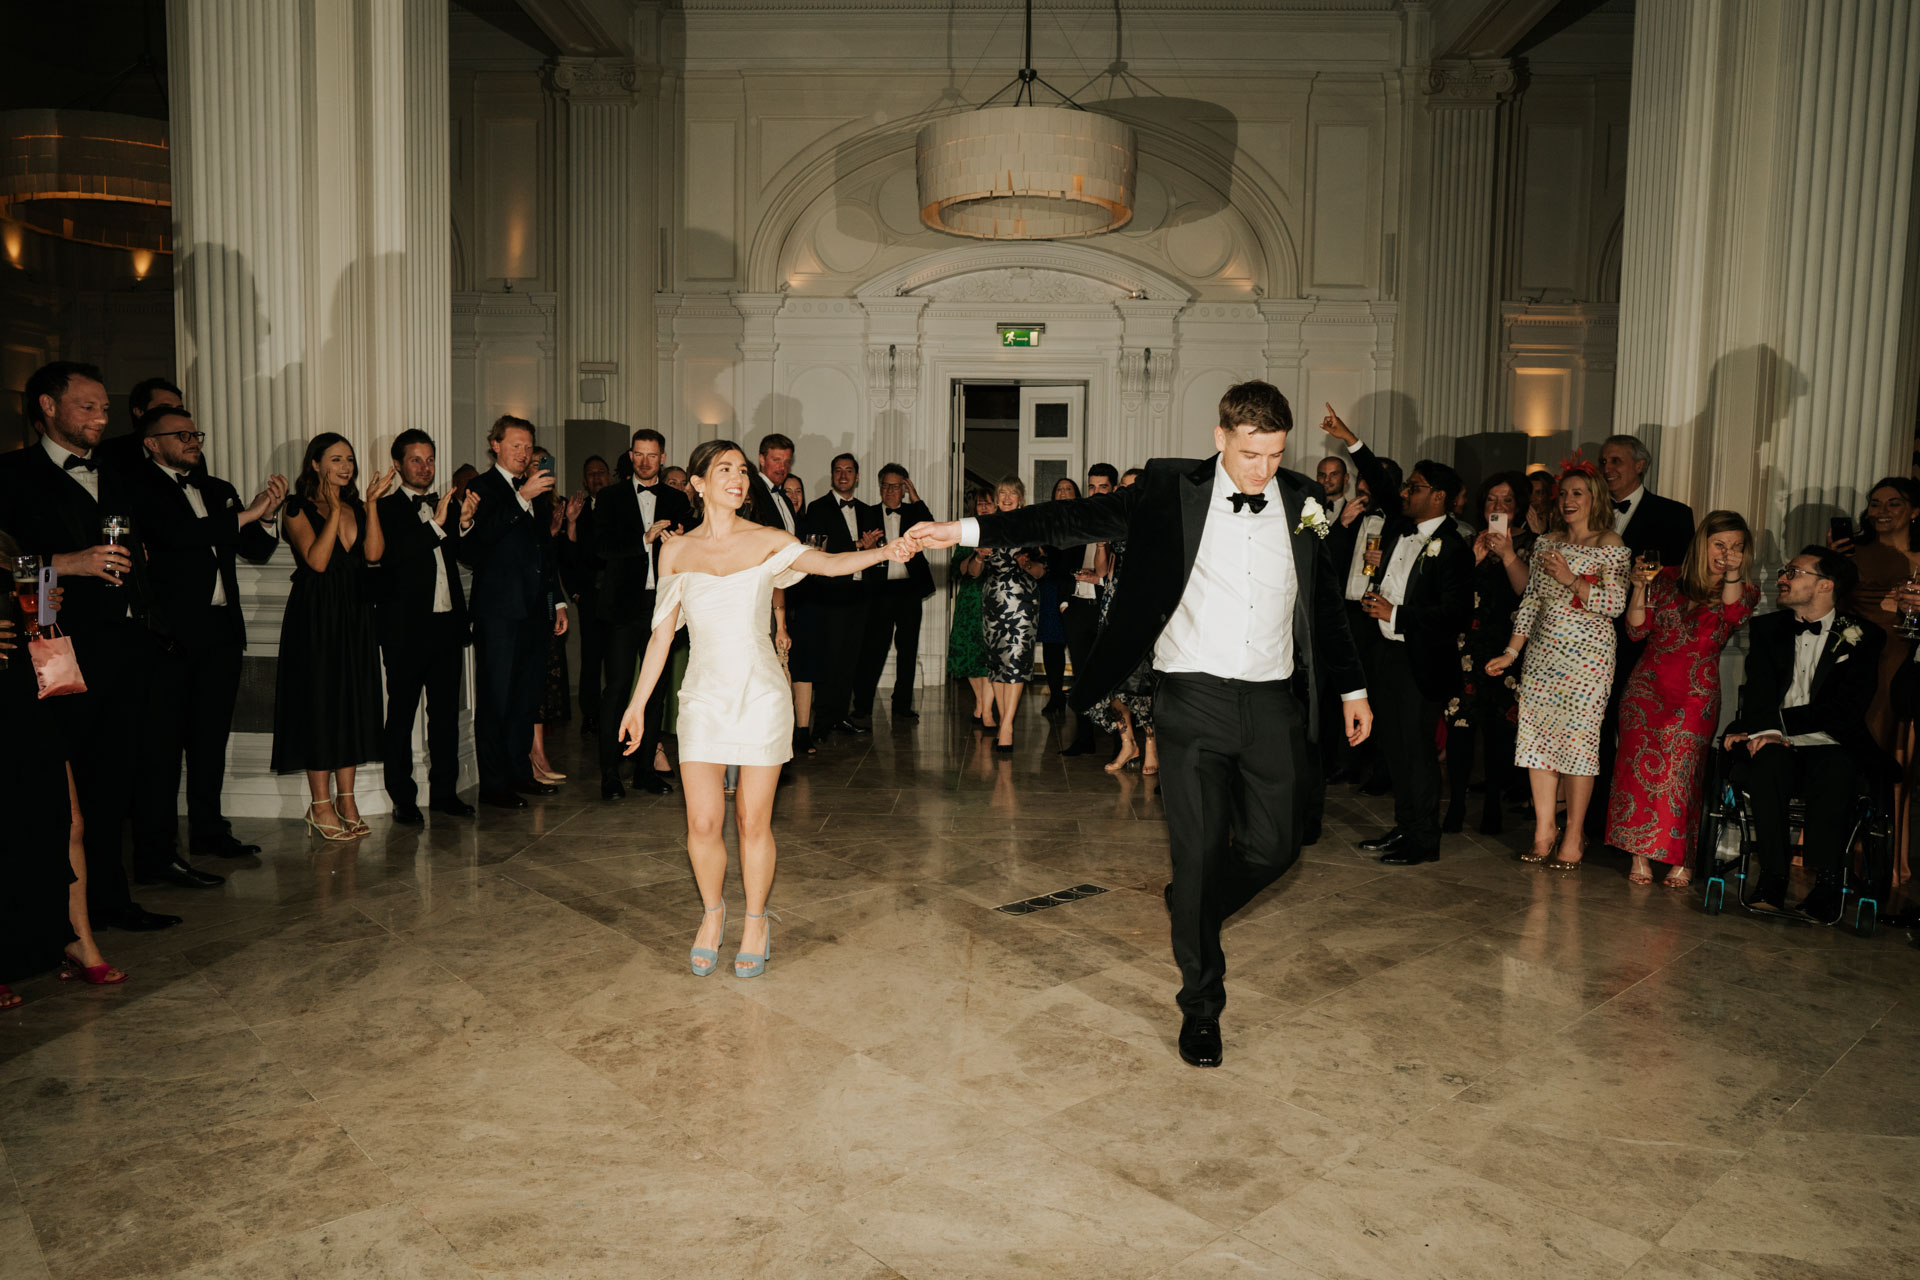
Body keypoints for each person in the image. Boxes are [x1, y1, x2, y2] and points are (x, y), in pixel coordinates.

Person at [911, 381, 1372, 1070]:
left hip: (1273, 702)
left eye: (1274, 456)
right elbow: (1072, 523)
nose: (1262, 470)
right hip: (1190, 699)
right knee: (1198, 850)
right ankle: (1202, 1007)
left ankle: (1192, 901)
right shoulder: (1168, 490)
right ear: (1221, 438)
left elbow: (1327, 605)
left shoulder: (1304, 500)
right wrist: (968, 530)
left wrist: (1353, 687)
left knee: (1279, 846)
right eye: (1250, 454)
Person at [617, 439, 916, 978]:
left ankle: (755, 920)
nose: (738, 478)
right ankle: (713, 915)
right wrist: (637, 705)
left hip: (759, 693)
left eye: (743, 470)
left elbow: (826, 564)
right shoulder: (675, 551)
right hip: (703, 697)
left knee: (753, 820)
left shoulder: (768, 539)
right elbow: (661, 638)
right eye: (724, 469)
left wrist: (886, 552)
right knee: (703, 821)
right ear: (699, 483)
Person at [0, 361, 178, 932]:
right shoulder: (11, 475)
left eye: (105, 407)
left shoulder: (117, 474)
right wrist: (67, 564)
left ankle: (109, 902)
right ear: (47, 407)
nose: (102, 417)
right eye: (88, 406)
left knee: (115, 777)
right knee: (60, 786)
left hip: (128, 640)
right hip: (57, 647)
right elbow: (6, 567)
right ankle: (53, 915)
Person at [127, 405, 285, 883]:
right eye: (180, 435)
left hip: (220, 632)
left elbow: (255, 548)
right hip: (170, 638)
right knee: (163, 747)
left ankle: (209, 830)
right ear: (152, 443)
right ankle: (157, 853)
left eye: (195, 433)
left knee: (210, 739)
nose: (193, 440)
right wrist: (247, 514)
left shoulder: (216, 490)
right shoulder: (141, 489)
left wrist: (267, 517)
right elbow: (178, 536)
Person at [1722, 547, 1886, 917]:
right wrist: (1759, 730)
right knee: (1766, 763)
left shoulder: (1864, 636)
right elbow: (1760, 691)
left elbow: (1844, 709)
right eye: (1785, 571)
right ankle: (1773, 878)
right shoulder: (1768, 629)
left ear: (1825, 584)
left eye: (1793, 572)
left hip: (1832, 740)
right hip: (1774, 740)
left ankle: (1828, 883)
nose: (1782, 578)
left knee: (1836, 768)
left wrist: (1778, 728)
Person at [1485, 458, 1630, 868]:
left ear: (1594, 499)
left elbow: (1614, 605)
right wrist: (1511, 653)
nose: (1567, 500)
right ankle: (1544, 830)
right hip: (1542, 656)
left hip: (1589, 660)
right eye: (1563, 493)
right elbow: (1531, 601)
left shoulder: (1610, 545)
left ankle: (1576, 834)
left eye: (1577, 493)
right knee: (1537, 745)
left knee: (1578, 746)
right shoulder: (1547, 542)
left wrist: (1571, 579)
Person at [0, 543, 124, 1005]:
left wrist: (44, 606)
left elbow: (33, 613)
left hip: (27, 691)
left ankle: (77, 939)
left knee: (70, 823)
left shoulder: (9, 541)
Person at [1606, 512, 1757, 887]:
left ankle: (1681, 859)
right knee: (1635, 772)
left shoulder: (1742, 589)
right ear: (1703, 543)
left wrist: (1732, 575)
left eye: (1736, 547)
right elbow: (1636, 630)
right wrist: (1640, 586)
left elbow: (1734, 614)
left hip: (1695, 694)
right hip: (1646, 688)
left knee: (1683, 776)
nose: (1727, 553)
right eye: (1720, 545)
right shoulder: (1669, 577)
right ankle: (1639, 855)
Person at [271, 432, 395, 836]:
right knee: (320, 706)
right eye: (336, 459)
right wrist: (335, 508)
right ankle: (319, 805)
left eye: (350, 460)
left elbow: (374, 555)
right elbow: (319, 561)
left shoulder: (358, 505)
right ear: (315, 464)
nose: (346, 467)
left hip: (355, 614)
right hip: (316, 616)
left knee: (352, 704)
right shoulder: (295, 508)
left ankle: (347, 800)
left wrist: (370, 506)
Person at [1352, 458, 1474, 866]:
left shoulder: (1453, 547)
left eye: (1415, 487)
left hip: (1418, 661)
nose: (1406, 493)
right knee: (1393, 748)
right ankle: (1406, 825)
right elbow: (1385, 491)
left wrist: (1395, 614)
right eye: (1406, 486)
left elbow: (1456, 613)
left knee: (1418, 753)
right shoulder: (1402, 528)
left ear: (1439, 497)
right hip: (1386, 654)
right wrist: (1350, 439)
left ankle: (1424, 839)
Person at [458, 415, 566, 809]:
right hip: (499, 613)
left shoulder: (533, 489)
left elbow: (544, 551)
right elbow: (476, 546)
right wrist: (522, 500)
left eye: (528, 447)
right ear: (496, 446)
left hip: (534, 610)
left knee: (525, 698)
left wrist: (555, 600)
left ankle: (521, 773)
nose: (523, 454)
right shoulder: (481, 488)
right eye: (516, 446)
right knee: (497, 699)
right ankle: (494, 784)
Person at [373, 428, 476, 825]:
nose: (425, 467)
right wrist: (436, 524)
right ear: (398, 465)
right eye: (416, 460)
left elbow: (462, 558)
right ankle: (402, 797)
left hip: (446, 626)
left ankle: (446, 792)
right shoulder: (385, 509)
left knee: (446, 715)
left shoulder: (445, 504)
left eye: (430, 459)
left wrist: (463, 524)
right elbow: (393, 557)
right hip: (405, 629)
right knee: (400, 715)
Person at [584, 428, 691, 799]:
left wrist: (677, 540)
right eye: (639, 455)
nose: (646, 462)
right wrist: (642, 540)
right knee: (616, 689)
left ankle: (645, 770)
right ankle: (610, 774)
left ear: (663, 458)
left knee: (658, 691)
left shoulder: (677, 500)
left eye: (653, 455)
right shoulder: (610, 497)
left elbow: (690, 547)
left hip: (661, 605)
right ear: (631, 456)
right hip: (621, 608)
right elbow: (599, 548)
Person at [1445, 471, 1534, 835]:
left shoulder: (1533, 545)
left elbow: (1527, 594)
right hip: (1467, 647)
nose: (1498, 507)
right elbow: (1454, 594)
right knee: (1460, 726)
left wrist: (1508, 552)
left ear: (1520, 508)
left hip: (1509, 649)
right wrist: (1476, 557)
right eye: (1492, 501)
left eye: (1507, 501)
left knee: (1500, 730)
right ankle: (1456, 803)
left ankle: (1494, 803)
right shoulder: (1467, 541)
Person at [803, 452, 883, 742]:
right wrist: (859, 545)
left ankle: (841, 716)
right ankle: (823, 720)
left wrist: (873, 548)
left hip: (862, 593)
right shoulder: (818, 507)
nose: (844, 475)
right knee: (830, 657)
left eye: (849, 470)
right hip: (832, 592)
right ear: (832, 475)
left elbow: (879, 550)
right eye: (838, 470)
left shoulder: (868, 510)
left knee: (852, 658)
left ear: (857, 476)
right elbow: (817, 548)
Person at [1087, 466, 1156, 774]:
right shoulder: (1114, 522)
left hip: (1143, 609)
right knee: (1112, 683)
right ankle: (1129, 744)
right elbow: (1101, 571)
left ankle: (1151, 747)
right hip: (1113, 607)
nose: (1129, 492)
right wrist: (1102, 542)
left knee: (1143, 684)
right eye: (1124, 488)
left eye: (1134, 487)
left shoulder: (1157, 522)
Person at [855, 462, 935, 723]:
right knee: (873, 648)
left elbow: (933, 530)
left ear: (904, 488)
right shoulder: (866, 513)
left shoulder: (914, 514)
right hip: (879, 591)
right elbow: (856, 550)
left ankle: (902, 704)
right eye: (886, 485)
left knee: (908, 648)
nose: (890, 490)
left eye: (896, 486)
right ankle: (862, 704)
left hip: (909, 591)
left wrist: (917, 498)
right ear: (880, 488)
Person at [978, 477, 1048, 754]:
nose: (1007, 497)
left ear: (1021, 498)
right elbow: (972, 571)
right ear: (996, 498)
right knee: (997, 662)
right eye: (1002, 492)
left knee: (1016, 660)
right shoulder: (987, 526)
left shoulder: (1031, 527)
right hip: (992, 599)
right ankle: (1005, 717)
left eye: (1012, 493)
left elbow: (1042, 571)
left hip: (1022, 600)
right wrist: (979, 557)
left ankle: (1006, 725)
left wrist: (1026, 562)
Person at [1058, 464, 1119, 756]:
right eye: (1092, 486)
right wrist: (1064, 603)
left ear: (1113, 489)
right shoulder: (1076, 518)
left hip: (1107, 608)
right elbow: (1058, 557)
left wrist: (1101, 578)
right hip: (1077, 607)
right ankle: (1084, 739)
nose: (1096, 492)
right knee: (1080, 676)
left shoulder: (1121, 521)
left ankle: (1122, 741)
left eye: (1102, 487)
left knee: (1111, 674)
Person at [565, 453, 612, 735]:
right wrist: (576, 593)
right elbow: (568, 556)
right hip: (590, 596)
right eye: (591, 474)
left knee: (618, 658)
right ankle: (590, 714)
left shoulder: (620, 506)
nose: (596, 478)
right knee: (591, 658)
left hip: (617, 594)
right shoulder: (577, 511)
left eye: (601, 472)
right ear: (585, 480)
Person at [947, 488, 996, 726]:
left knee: (990, 658)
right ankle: (981, 704)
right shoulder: (967, 532)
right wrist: (976, 556)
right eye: (980, 504)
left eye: (988, 503)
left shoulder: (1004, 530)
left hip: (995, 600)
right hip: (970, 599)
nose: (984, 508)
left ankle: (986, 712)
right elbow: (958, 568)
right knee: (969, 655)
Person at [1037, 477, 1079, 719]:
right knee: (1052, 647)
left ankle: (1080, 697)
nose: (1063, 493)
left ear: (1076, 495)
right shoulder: (1046, 522)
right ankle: (1055, 696)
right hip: (1051, 587)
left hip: (1074, 589)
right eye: (1059, 489)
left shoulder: (1083, 521)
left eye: (1068, 489)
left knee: (1076, 645)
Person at [1315, 453, 1350, 518]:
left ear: (1345, 478)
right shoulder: (1304, 509)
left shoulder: (1358, 515)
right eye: (1322, 475)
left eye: (1333, 474)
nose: (1326, 480)